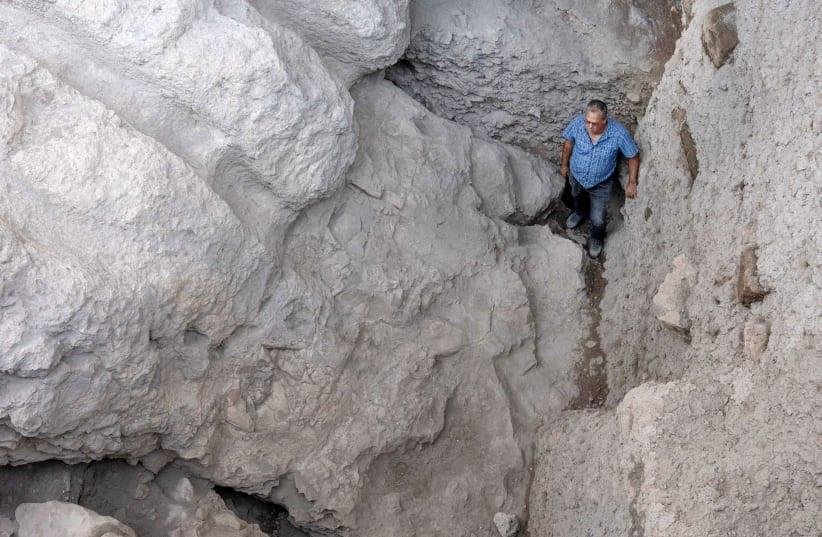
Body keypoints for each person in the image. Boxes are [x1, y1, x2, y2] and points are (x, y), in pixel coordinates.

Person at [560, 100, 640, 258]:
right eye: (587, 121)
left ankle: (596, 238)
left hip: (601, 184)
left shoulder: (618, 134)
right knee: (577, 197)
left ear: (605, 120)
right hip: (577, 176)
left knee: (598, 217)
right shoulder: (578, 124)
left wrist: (632, 182)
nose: (589, 126)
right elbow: (568, 144)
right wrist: (564, 165)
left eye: (594, 123)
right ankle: (579, 213)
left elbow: (633, 156)